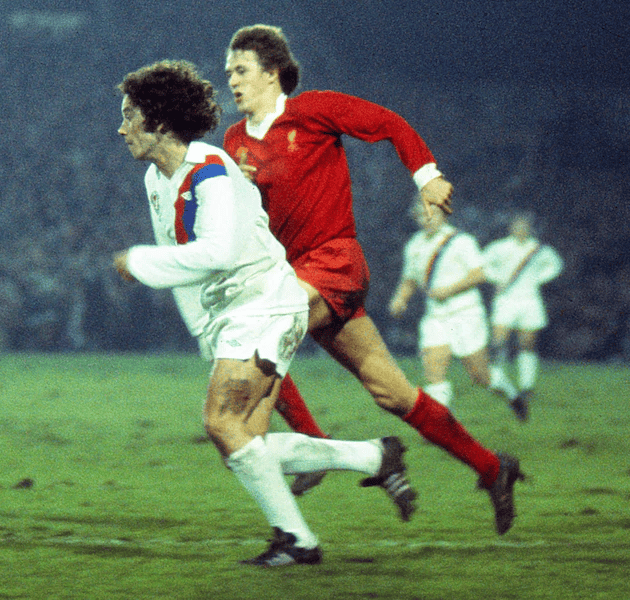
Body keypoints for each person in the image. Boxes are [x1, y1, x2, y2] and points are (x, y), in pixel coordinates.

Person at [113, 59, 417, 567]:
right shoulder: (155, 179)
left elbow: (218, 253)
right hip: (235, 314)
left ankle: (298, 540)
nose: (122, 129)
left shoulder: (210, 169)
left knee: (221, 423)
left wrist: (141, 262)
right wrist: (203, 331)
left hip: (266, 304)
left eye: (129, 116)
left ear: (160, 121)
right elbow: (182, 263)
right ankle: (374, 456)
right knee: (243, 442)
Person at [221, 24, 523, 535]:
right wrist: (242, 193)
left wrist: (427, 176)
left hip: (334, 263)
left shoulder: (312, 110)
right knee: (394, 394)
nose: (231, 80)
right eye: (229, 71)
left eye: (241, 70)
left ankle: (311, 467)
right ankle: (493, 468)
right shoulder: (234, 142)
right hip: (294, 277)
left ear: (271, 73)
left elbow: (387, 122)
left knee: (260, 337)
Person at [389, 199, 522, 418]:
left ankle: (512, 394)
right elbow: (409, 279)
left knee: (480, 376)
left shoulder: (462, 241)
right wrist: (400, 299)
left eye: (432, 213)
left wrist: (449, 290)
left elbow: (479, 274)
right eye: (421, 214)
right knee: (434, 373)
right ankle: (444, 426)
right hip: (435, 316)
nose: (427, 219)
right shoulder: (414, 245)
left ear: (443, 214)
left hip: (466, 313)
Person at [483, 211, 564, 419]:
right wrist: (497, 279)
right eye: (517, 225)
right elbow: (483, 265)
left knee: (527, 343)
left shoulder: (538, 248)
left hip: (530, 299)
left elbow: (555, 265)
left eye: (524, 226)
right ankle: (498, 380)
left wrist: (538, 279)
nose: (521, 229)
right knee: (499, 341)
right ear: (511, 227)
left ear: (529, 228)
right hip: (506, 300)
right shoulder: (499, 247)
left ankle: (527, 385)